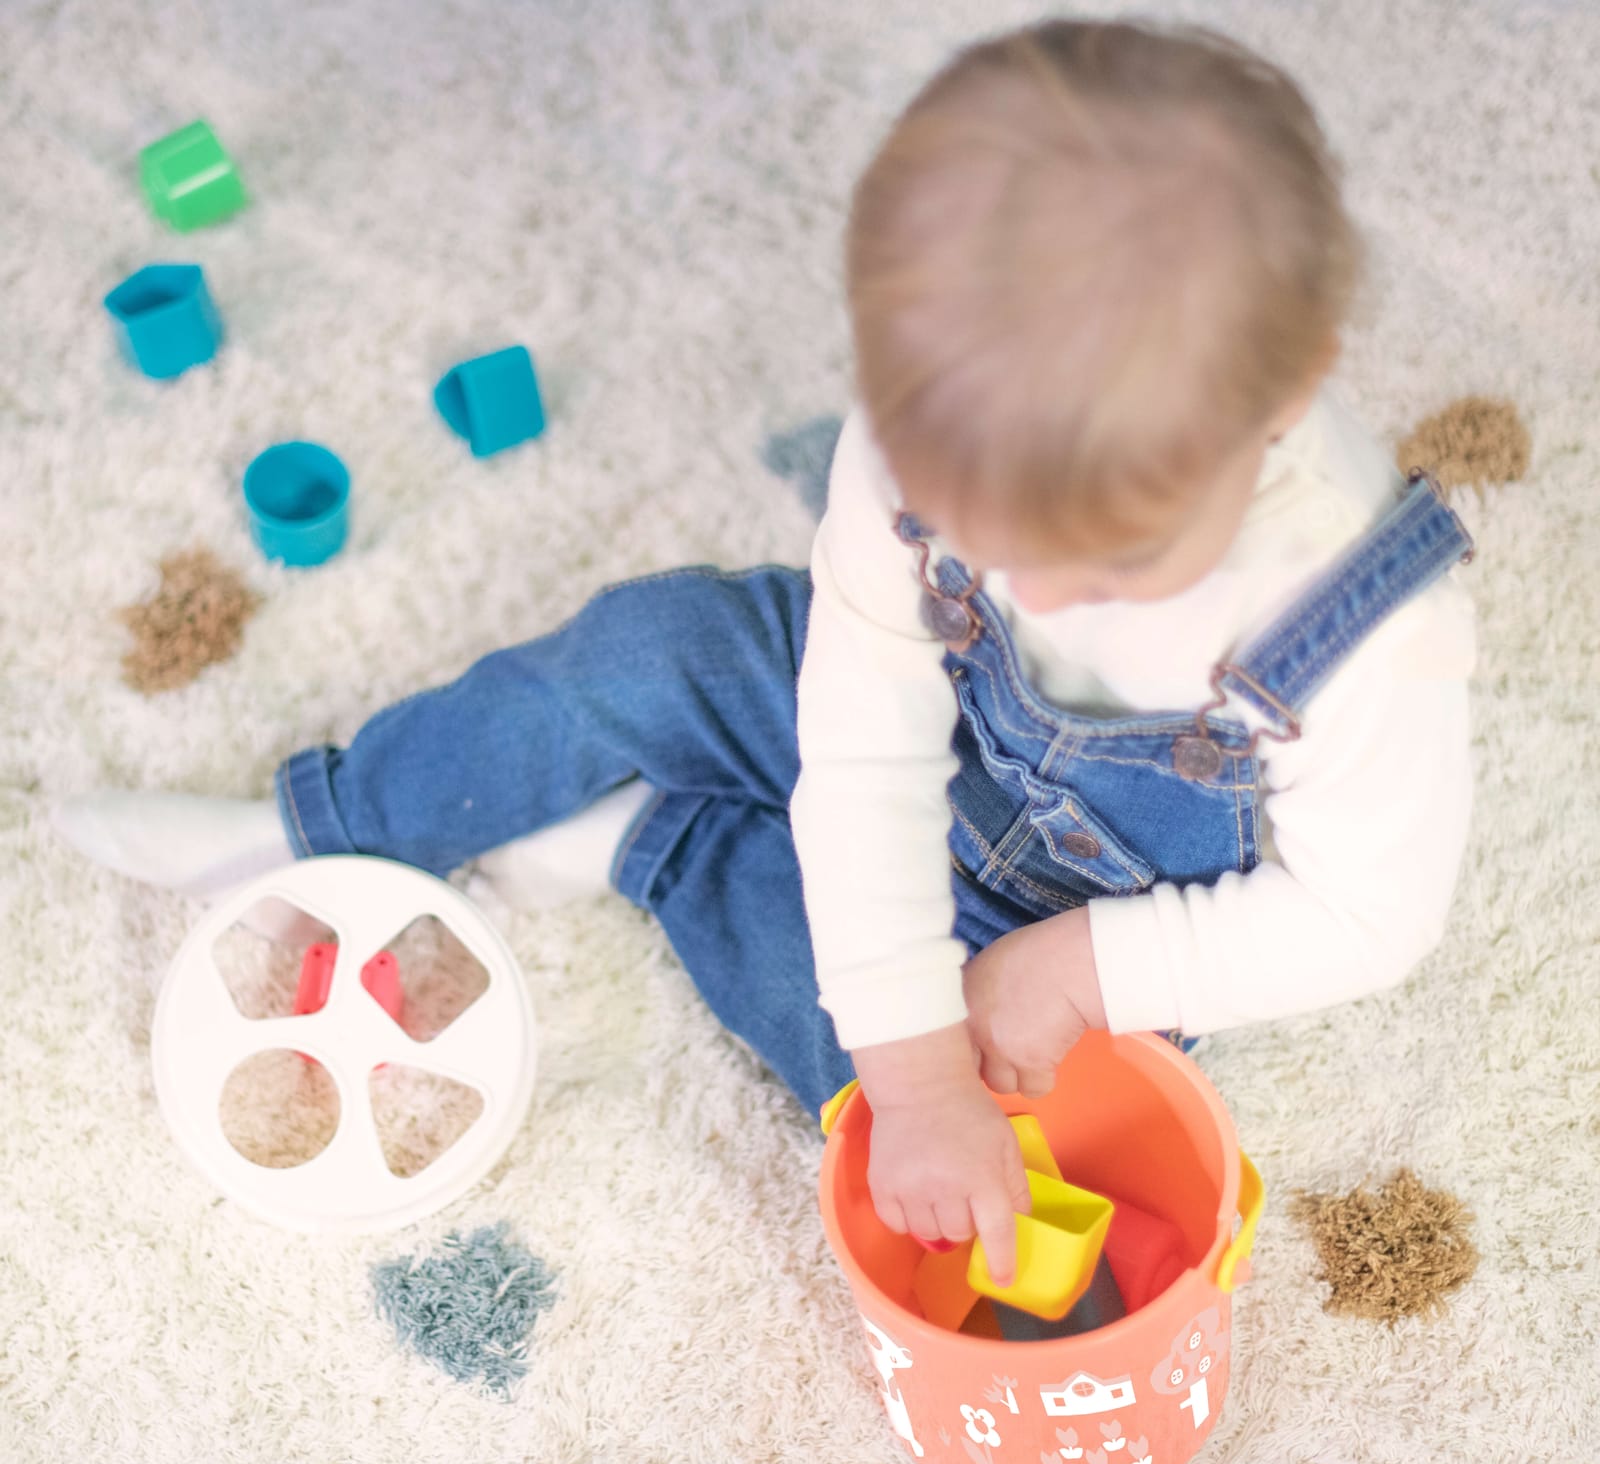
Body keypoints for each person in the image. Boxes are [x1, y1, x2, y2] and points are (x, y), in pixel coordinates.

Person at [52, 17, 1475, 1287]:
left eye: (1103, 556)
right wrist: (916, 1057)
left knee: (930, 1109)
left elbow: (1366, 917)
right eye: (979, 524)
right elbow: (864, 726)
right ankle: (338, 821)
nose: (1030, 581)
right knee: (646, 652)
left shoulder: (1362, 631)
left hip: (1106, 908)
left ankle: (651, 841)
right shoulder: (938, 406)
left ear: (1284, 395)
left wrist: (1068, 980)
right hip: (900, 729)